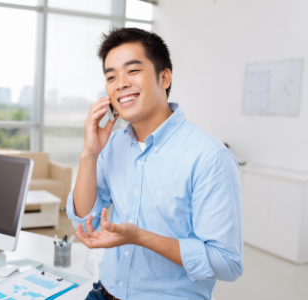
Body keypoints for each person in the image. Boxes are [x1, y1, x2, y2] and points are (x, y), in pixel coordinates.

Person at [66, 28, 243, 300]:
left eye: (132, 71)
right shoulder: (112, 145)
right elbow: (85, 218)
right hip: (104, 293)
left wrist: (140, 237)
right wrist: (89, 154)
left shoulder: (210, 156)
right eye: (111, 76)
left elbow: (227, 263)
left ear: (164, 77)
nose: (120, 83)